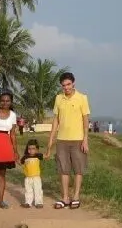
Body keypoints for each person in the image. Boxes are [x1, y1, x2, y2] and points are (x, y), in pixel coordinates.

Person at [45, 72, 90, 210]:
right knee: (63, 170)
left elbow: (85, 119)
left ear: (74, 83)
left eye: (69, 84)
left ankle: (75, 197)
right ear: (61, 86)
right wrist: (51, 139)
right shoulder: (59, 98)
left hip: (78, 139)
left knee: (78, 170)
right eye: (64, 85)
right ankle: (65, 197)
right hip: (62, 140)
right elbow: (56, 120)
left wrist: (85, 140)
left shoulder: (82, 98)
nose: (66, 87)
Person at [20, 139, 44, 208]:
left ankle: (39, 203)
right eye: (29, 149)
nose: (31, 150)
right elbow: (21, 163)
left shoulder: (38, 156)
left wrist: (48, 150)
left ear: (37, 150)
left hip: (36, 177)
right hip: (28, 177)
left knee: (38, 190)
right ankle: (28, 202)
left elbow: (46, 156)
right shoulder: (25, 157)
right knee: (28, 190)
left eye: (33, 149)